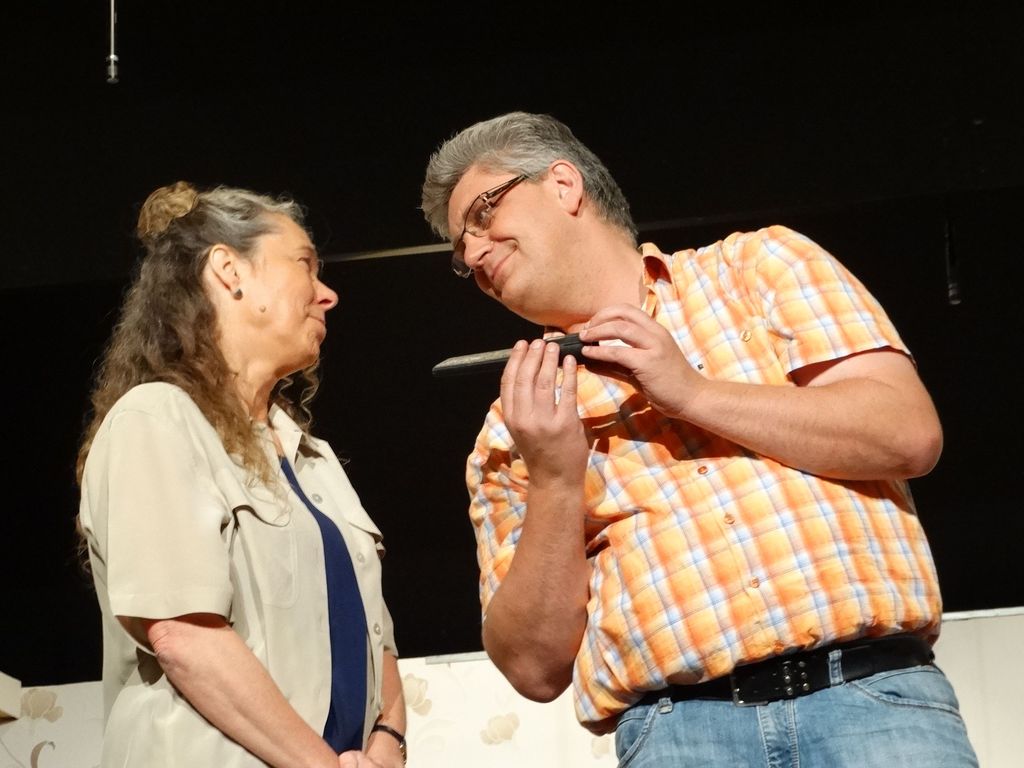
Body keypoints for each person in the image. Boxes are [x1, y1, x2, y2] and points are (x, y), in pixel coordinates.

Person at [420, 112, 979, 767]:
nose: (474, 254)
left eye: (484, 214)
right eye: (461, 250)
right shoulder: (511, 429)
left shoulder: (756, 267)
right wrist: (554, 479)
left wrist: (691, 393)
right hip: (679, 737)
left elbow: (907, 433)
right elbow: (531, 668)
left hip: (870, 702)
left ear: (564, 185)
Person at [76, 181, 408, 768]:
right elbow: (183, 635)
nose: (327, 294)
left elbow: (376, 638)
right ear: (229, 271)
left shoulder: (315, 459)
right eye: (305, 264)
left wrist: (388, 743)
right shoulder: (156, 420)